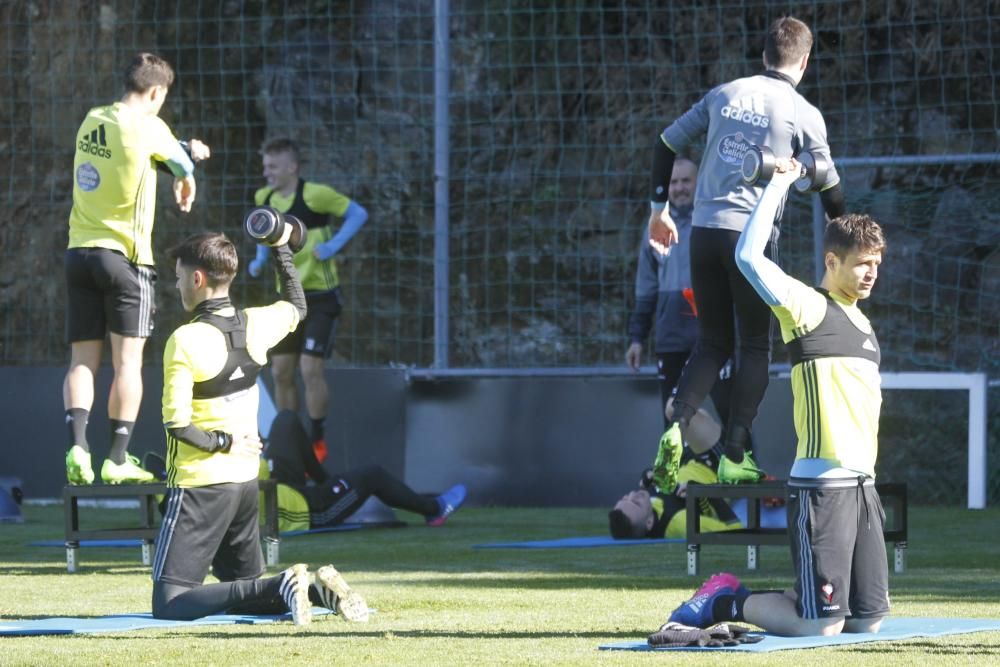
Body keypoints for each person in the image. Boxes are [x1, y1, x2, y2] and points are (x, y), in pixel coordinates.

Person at [666, 158, 888, 637]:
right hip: (822, 488)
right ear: (832, 262)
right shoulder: (806, 305)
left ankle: (801, 599)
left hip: (862, 488)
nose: (871, 274)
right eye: (861, 264)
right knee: (822, 628)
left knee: (867, 622)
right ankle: (726, 599)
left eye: (876, 264)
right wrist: (780, 183)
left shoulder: (864, 324)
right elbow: (748, 258)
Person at [646, 16, 846, 482]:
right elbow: (829, 186)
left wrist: (659, 209)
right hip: (751, 243)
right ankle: (736, 454)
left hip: (704, 234)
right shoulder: (802, 111)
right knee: (756, 344)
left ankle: (675, 428)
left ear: (763, 57)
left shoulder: (724, 94)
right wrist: (842, 232)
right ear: (805, 61)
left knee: (713, 342)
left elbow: (665, 142)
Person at [153, 231, 367, 626]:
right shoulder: (257, 323)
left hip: (201, 486)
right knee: (243, 587)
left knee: (169, 602)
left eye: (180, 276)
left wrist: (223, 441)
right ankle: (317, 591)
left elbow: (178, 424)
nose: (177, 284)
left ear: (198, 279)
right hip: (245, 484)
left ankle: (283, 581)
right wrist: (280, 245)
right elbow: (299, 305)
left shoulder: (184, 340)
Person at [64, 52, 210, 486]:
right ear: (155, 92)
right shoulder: (150, 127)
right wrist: (190, 164)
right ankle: (117, 457)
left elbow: (136, 159)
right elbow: (180, 164)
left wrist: (180, 159)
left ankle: (77, 446)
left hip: (79, 253)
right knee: (128, 363)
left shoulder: (93, 119)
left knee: (81, 361)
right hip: (125, 259)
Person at [247, 138, 369, 463]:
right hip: (286, 301)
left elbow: (358, 214)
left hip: (321, 299)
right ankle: (291, 439)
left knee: (309, 368)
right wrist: (259, 259)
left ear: (292, 168)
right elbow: (263, 230)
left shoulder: (316, 196)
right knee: (280, 372)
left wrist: (333, 247)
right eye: (264, 165)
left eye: (272, 166)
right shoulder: (265, 198)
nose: (266, 172)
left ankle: (317, 439)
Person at [261, 409, 467, 531]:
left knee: (286, 420)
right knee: (372, 475)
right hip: (304, 509)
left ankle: (330, 485)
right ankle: (434, 509)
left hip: (276, 487)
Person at [609, 401, 741, 540]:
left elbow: (663, 492)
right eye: (636, 503)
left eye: (625, 498)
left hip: (688, 459)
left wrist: (651, 475)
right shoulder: (679, 522)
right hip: (716, 465)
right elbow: (736, 532)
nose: (633, 494)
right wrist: (703, 491)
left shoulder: (649, 508)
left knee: (683, 409)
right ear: (649, 523)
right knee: (675, 408)